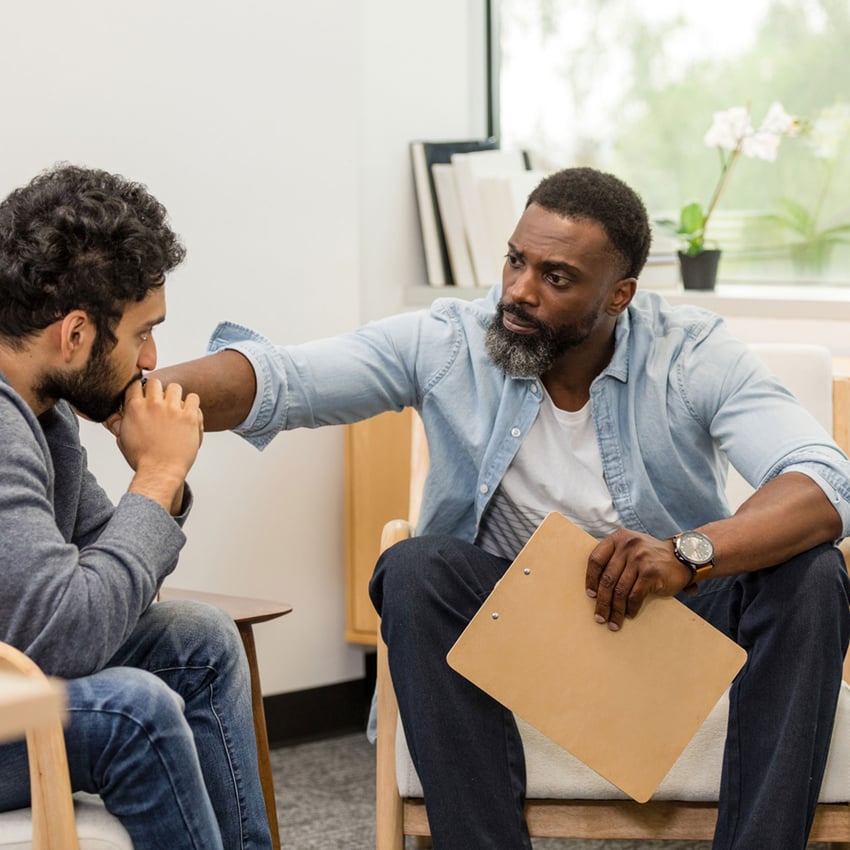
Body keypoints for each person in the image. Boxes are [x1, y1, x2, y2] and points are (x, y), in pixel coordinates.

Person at [148, 166, 850, 850]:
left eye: (557, 277)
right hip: (520, 623)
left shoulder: (692, 354)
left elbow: (825, 481)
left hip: (674, 617)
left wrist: (683, 554)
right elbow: (285, 379)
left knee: (812, 575)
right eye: (516, 261)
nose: (519, 291)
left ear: (619, 295)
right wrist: (130, 391)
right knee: (414, 567)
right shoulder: (452, 341)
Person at [0, 164, 272, 850]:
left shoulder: (42, 412)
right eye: (141, 334)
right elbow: (68, 633)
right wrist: (156, 474)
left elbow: (99, 558)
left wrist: (160, 483)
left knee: (201, 640)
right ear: (75, 335)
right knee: (134, 713)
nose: (153, 359)